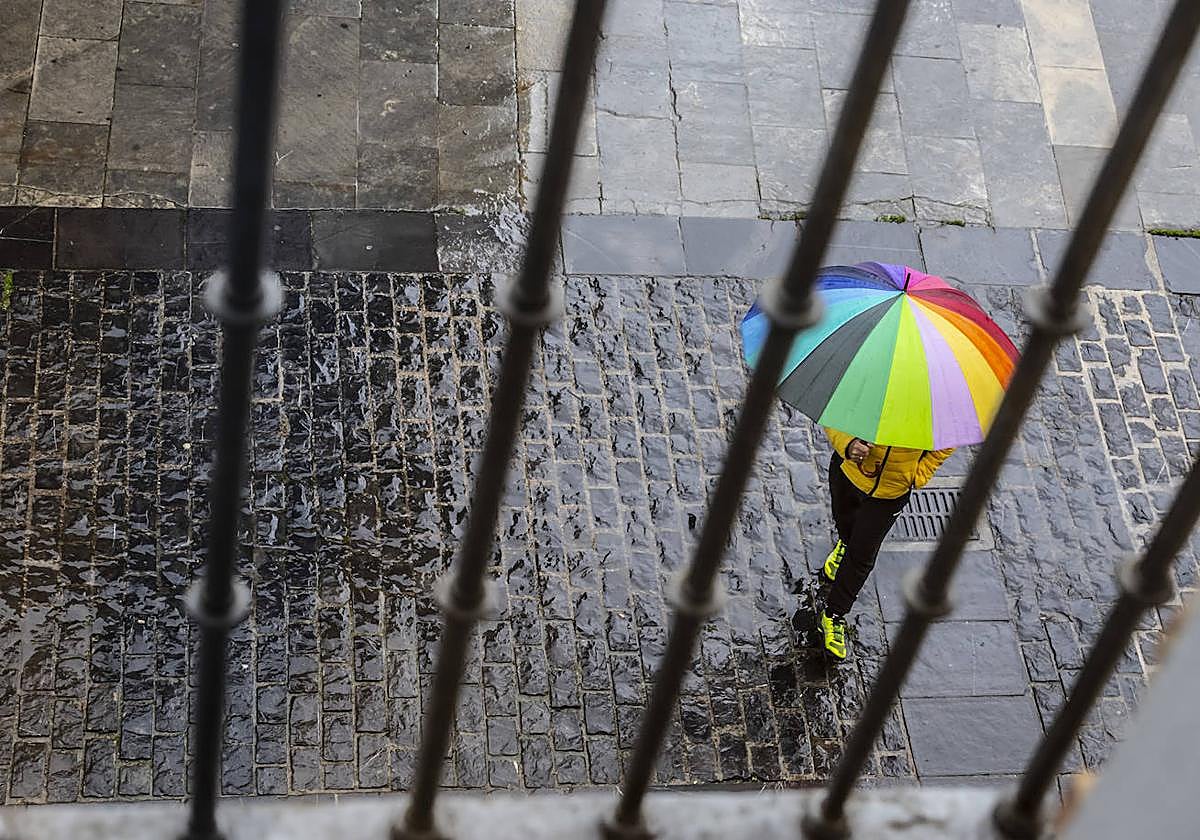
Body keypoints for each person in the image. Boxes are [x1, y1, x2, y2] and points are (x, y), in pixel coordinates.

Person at [817, 428, 954, 660]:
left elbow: (950, 436)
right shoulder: (868, 389)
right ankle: (844, 543)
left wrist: (918, 474)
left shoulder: (935, 401)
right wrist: (849, 444)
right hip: (848, 472)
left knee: (862, 556)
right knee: (845, 523)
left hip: (891, 492)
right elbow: (834, 417)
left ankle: (834, 615)